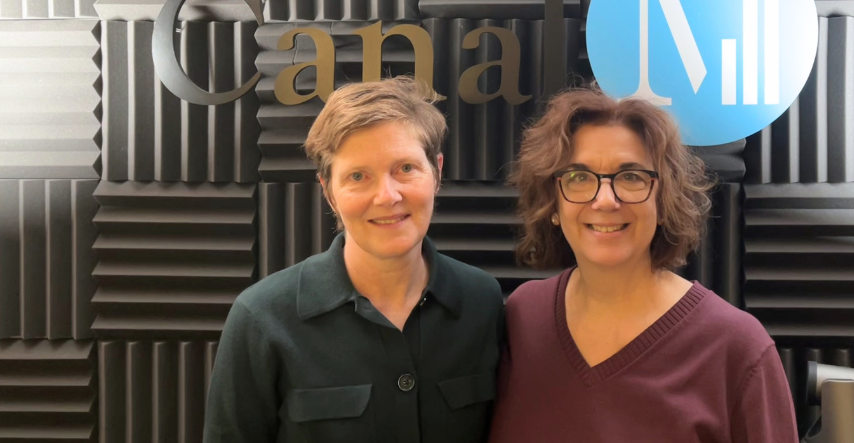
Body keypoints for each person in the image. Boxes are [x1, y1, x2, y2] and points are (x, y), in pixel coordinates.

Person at [489, 87, 798, 442]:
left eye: (631, 177)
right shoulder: (524, 316)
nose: (605, 200)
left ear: (663, 201)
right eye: (579, 177)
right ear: (553, 204)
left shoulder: (736, 347)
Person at [204, 77, 504, 443]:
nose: (387, 196)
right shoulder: (261, 318)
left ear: (437, 172)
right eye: (358, 176)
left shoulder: (482, 302)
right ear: (329, 192)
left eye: (405, 168)